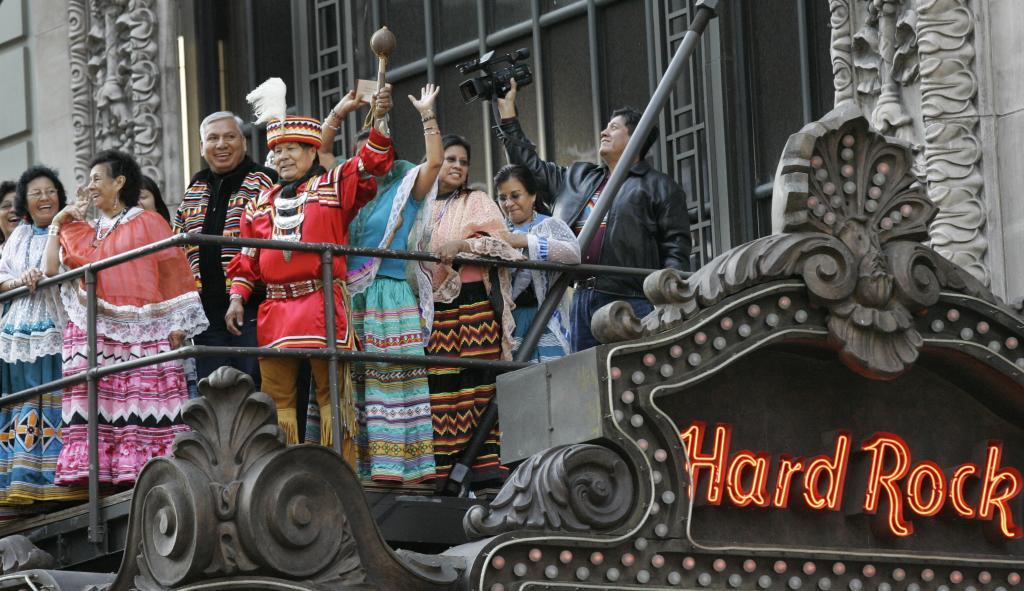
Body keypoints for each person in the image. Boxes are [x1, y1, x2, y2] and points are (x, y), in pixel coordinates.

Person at [225, 79, 394, 463]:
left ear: (310, 151)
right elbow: (248, 258)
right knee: (276, 399)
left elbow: (373, 163)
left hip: (321, 302)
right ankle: (281, 472)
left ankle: (341, 473)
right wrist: (237, 297)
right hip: (275, 310)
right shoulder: (259, 203)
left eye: (290, 149)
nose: (282, 157)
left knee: (333, 393)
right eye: (277, 151)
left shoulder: (332, 185)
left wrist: (379, 119)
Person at [43, 150, 208, 486]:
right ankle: (102, 474)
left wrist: (177, 324)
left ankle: (147, 471)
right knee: (102, 401)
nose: (90, 187)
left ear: (119, 182)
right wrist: (60, 220)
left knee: (139, 401)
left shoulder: (147, 221)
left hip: (144, 329)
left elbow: (172, 273)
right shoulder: (87, 231)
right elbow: (49, 269)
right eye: (88, 180)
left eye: (96, 179)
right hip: (98, 333)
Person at [496, 80, 691, 352]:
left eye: (614, 127)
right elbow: (532, 169)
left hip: (630, 299)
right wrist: (508, 115)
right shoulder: (579, 177)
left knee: (626, 371)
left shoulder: (660, 187)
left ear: (636, 137)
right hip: (580, 296)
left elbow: (676, 250)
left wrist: (667, 305)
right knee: (585, 380)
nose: (603, 131)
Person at [410, 134, 522, 492]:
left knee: (478, 386)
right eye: (450, 159)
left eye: (462, 161)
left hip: (473, 306)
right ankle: (445, 477)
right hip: (432, 310)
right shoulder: (418, 207)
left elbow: (502, 242)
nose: (457, 166)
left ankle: (486, 475)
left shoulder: (476, 200)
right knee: (441, 390)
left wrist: (465, 245)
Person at [0, 166, 82, 506]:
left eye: (50, 191)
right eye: (36, 193)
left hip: (56, 326)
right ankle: (23, 481)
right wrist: (22, 280)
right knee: (23, 402)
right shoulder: (17, 236)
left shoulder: (71, 229)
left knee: (57, 396)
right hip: (16, 336)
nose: (44, 198)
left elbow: (69, 269)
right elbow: (2, 278)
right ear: (25, 202)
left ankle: (56, 480)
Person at [175, 112, 277, 383]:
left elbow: (270, 240)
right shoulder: (195, 186)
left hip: (254, 305)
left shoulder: (264, 179)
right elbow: (178, 245)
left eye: (230, 137)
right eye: (213, 138)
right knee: (212, 388)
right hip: (205, 312)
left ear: (243, 143)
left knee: (255, 384)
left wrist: (241, 294)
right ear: (201, 147)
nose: (221, 144)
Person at [493, 164, 579, 362]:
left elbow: (573, 253)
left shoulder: (549, 225)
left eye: (515, 196)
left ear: (533, 196)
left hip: (546, 319)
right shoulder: (496, 230)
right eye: (502, 198)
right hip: (510, 324)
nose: (508, 203)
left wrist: (524, 240)